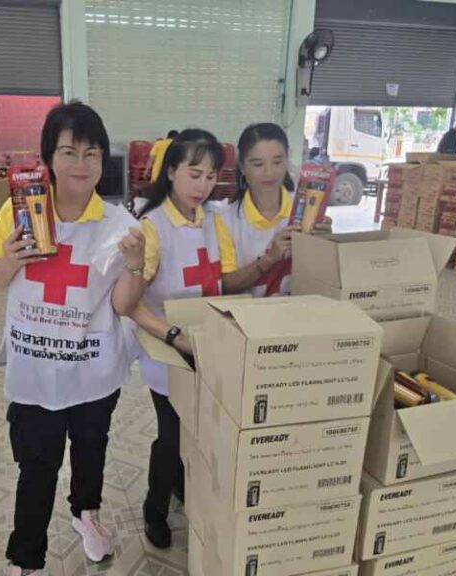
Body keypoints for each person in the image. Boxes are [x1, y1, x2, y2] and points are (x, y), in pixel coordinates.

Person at [0, 102, 146, 576]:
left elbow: (122, 305)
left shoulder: (120, 226)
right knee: (37, 464)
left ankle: (85, 514)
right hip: (35, 366)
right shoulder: (18, 214)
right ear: (49, 157)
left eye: (92, 154)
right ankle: (25, 558)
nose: (81, 164)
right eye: (69, 152)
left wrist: (135, 266)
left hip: (93, 367)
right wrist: (11, 259)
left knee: (91, 451)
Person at [130, 129, 226, 549]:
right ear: (170, 172)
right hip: (166, 350)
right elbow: (130, 302)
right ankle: (154, 508)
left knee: (196, 429)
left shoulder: (213, 220)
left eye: (211, 176)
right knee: (171, 433)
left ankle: (178, 484)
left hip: (205, 344)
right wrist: (173, 336)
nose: (202, 185)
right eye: (194, 174)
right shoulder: (152, 228)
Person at [216, 123, 330, 297]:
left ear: (287, 160)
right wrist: (269, 259)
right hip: (245, 312)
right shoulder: (225, 219)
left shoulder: (307, 207)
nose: (269, 172)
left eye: (277, 162)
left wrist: (326, 242)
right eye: (258, 164)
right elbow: (225, 286)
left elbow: (324, 275)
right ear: (242, 167)